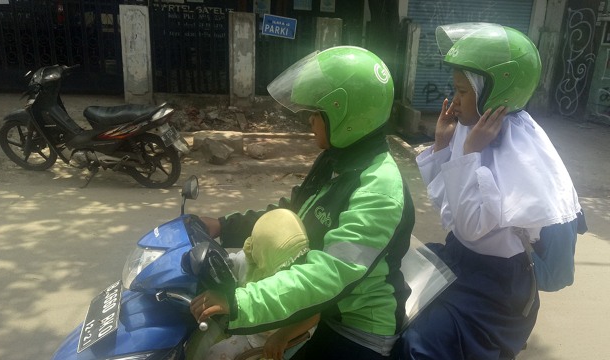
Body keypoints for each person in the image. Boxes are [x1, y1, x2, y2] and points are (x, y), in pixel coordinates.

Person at [189, 46, 416, 360]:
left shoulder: (379, 191)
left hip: (357, 329)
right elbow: (292, 210)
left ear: (346, 116)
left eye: (317, 113)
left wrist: (241, 303)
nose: (310, 121)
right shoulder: (336, 160)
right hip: (319, 310)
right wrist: (222, 225)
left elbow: (329, 274)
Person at [398, 23, 585, 359]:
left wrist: (467, 154)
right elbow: (451, 214)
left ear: (495, 91)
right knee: (393, 310)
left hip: (496, 288)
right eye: (454, 90)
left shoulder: (519, 149)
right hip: (462, 262)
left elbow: (470, 226)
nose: (454, 102)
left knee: (419, 346)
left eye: (462, 92)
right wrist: (442, 147)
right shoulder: (471, 132)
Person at [194, 208, 319, 360]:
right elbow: (231, 263)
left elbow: (313, 314)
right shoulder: (252, 258)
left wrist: (282, 336)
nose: (289, 268)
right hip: (242, 322)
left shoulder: (296, 279)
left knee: (214, 354)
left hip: (261, 340)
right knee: (197, 340)